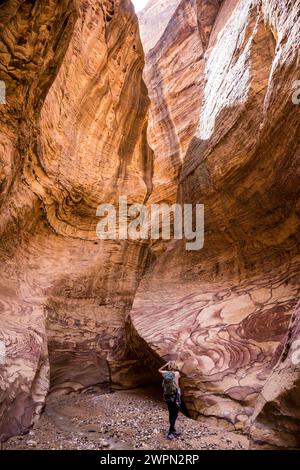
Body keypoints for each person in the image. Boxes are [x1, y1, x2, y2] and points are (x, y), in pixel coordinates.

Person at [158, 360, 181, 439]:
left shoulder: (164, 373)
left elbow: (159, 370)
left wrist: (165, 365)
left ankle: (173, 429)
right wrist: (179, 393)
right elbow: (177, 384)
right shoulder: (176, 373)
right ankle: (170, 431)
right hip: (174, 396)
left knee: (171, 413)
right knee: (175, 413)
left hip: (167, 396)